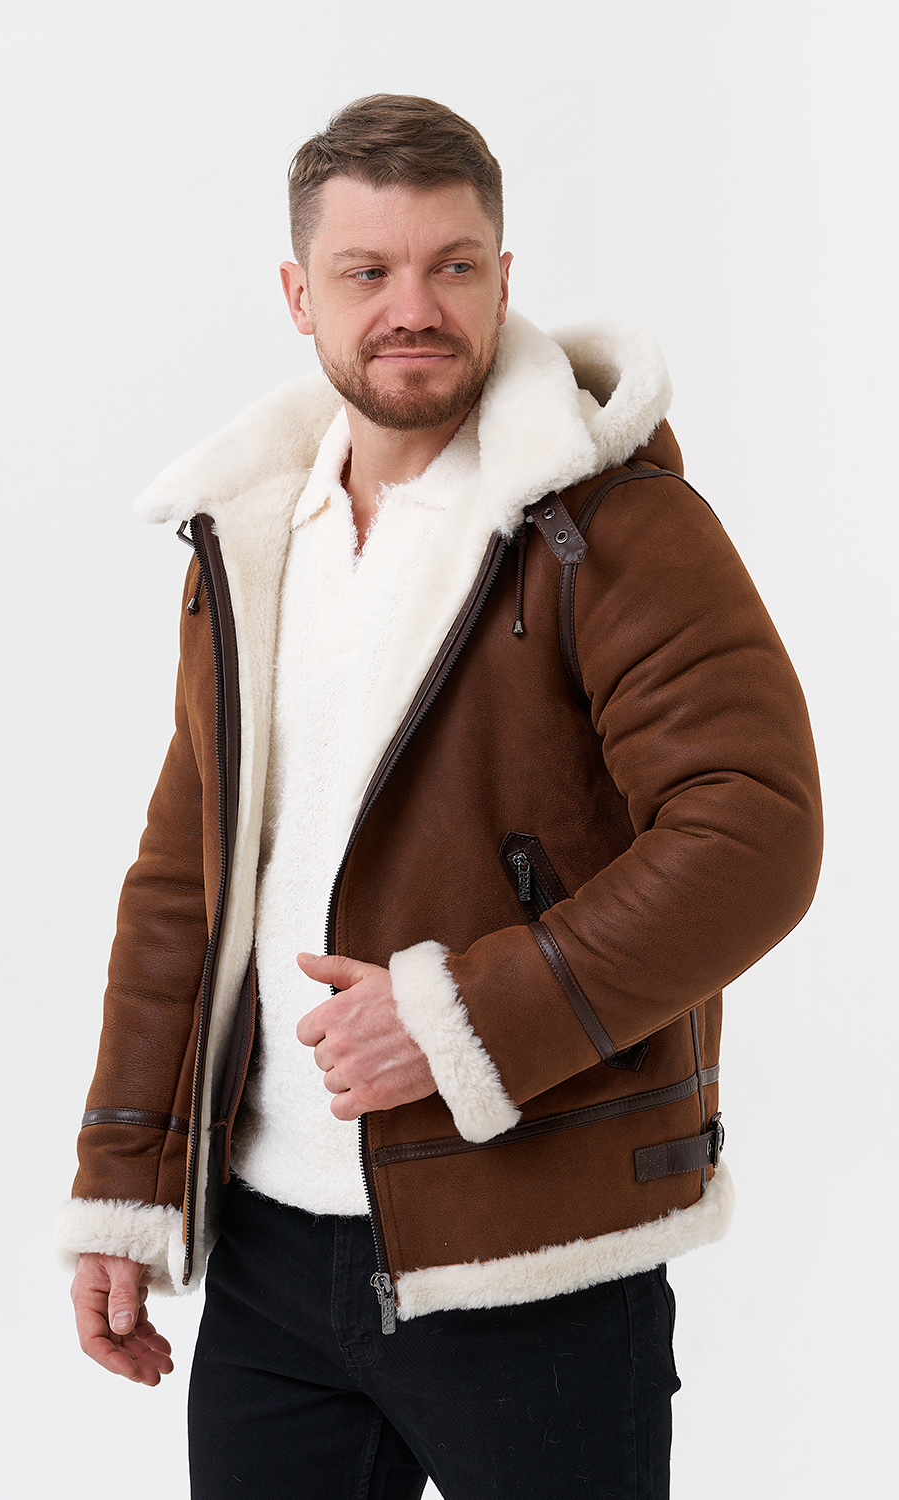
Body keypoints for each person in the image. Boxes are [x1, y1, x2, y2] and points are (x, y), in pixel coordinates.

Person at [58, 94, 822, 1498]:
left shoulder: (609, 522)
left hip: (537, 1257)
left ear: (503, 277)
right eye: (368, 272)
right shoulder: (253, 535)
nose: (413, 308)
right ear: (299, 295)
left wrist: (464, 1016)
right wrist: (129, 1181)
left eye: (452, 265)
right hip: (269, 1262)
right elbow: (185, 876)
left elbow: (754, 831)